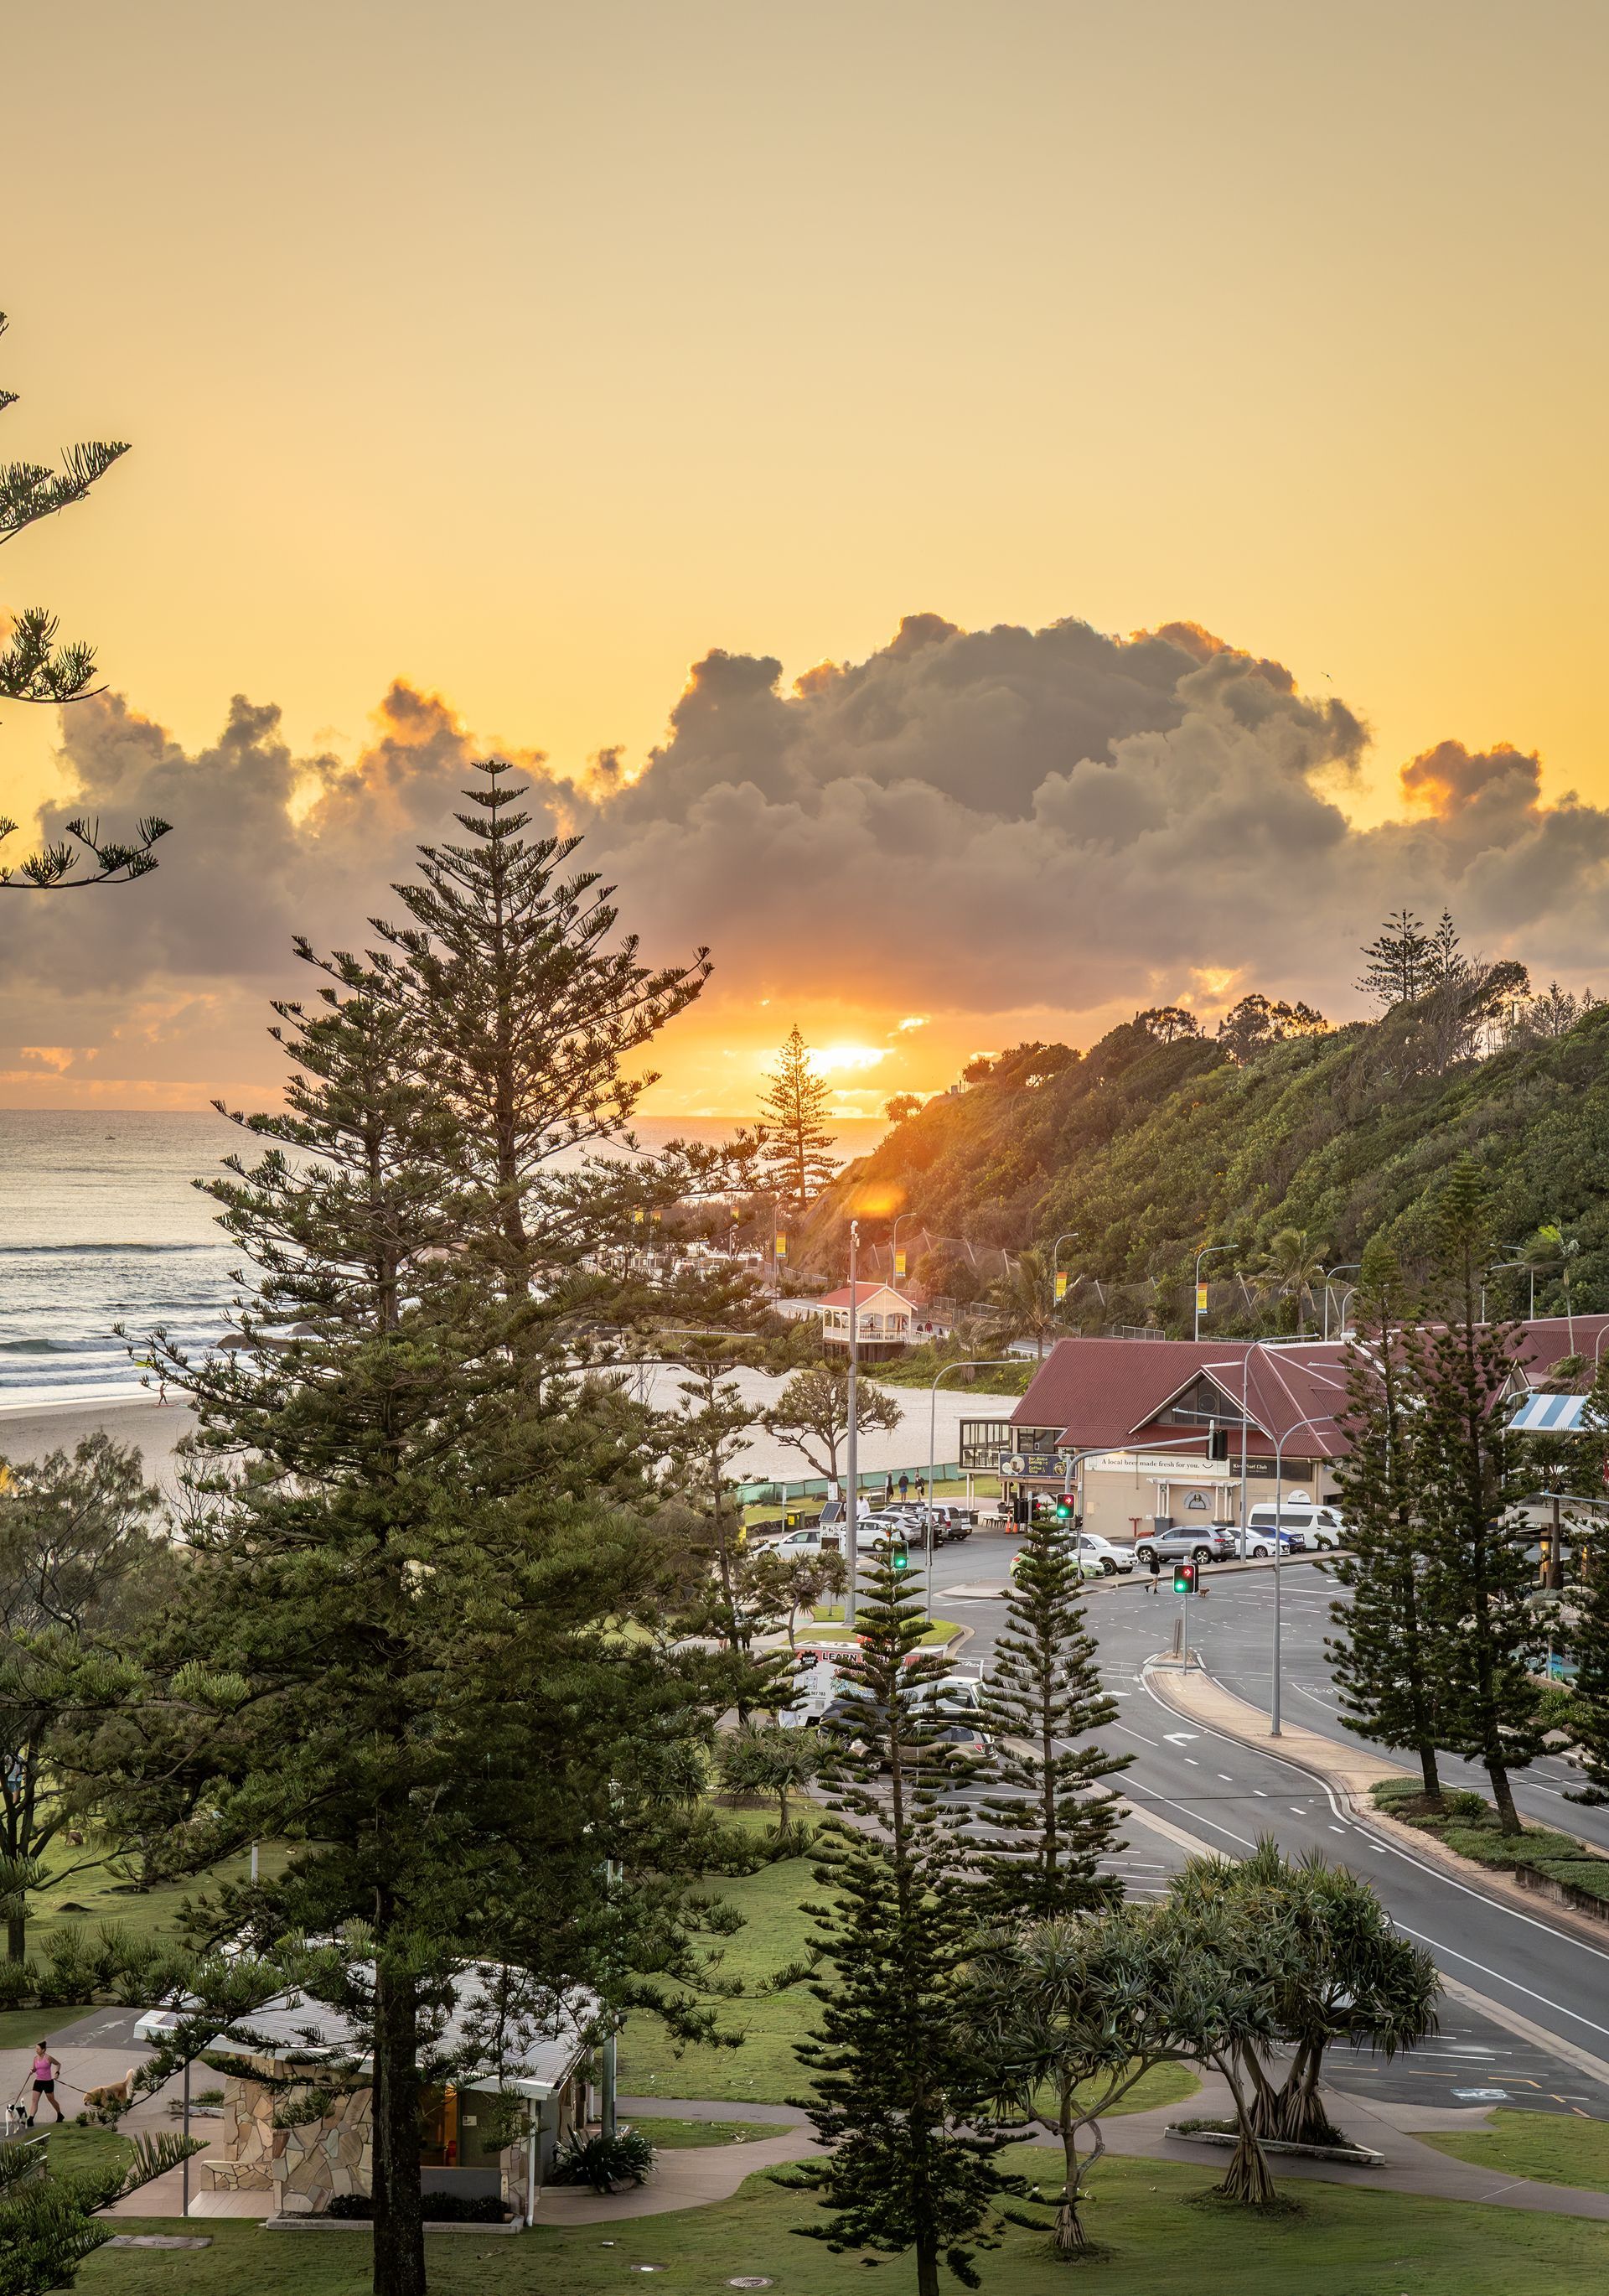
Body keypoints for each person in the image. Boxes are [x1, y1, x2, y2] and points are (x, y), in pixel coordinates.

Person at [25, 2041, 64, 2124]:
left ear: (43, 2050)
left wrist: (57, 2073)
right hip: (38, 2082)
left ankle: (59, 2114)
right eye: (36, 2049)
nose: (36, 2051)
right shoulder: (35, 2058)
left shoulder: (48, 2058)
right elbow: (35, 2069)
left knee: (51, 2100)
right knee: (34, 2101)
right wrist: (32, 2071)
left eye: (38, 2049)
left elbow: (58, 2064)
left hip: (48, 2082)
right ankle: (31, 2119)